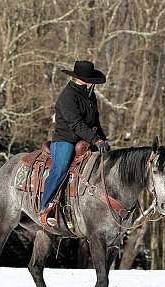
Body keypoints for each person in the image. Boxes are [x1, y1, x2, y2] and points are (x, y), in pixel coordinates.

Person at [39, 60, 110, 226]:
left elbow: (96, 122)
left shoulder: (90, 95)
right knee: (60, 168)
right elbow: (76, 124)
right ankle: (44, 207)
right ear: (82, 79)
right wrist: (95, 139)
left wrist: (103, 140)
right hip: (65, 139)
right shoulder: (67, 96)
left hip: (86, 139)